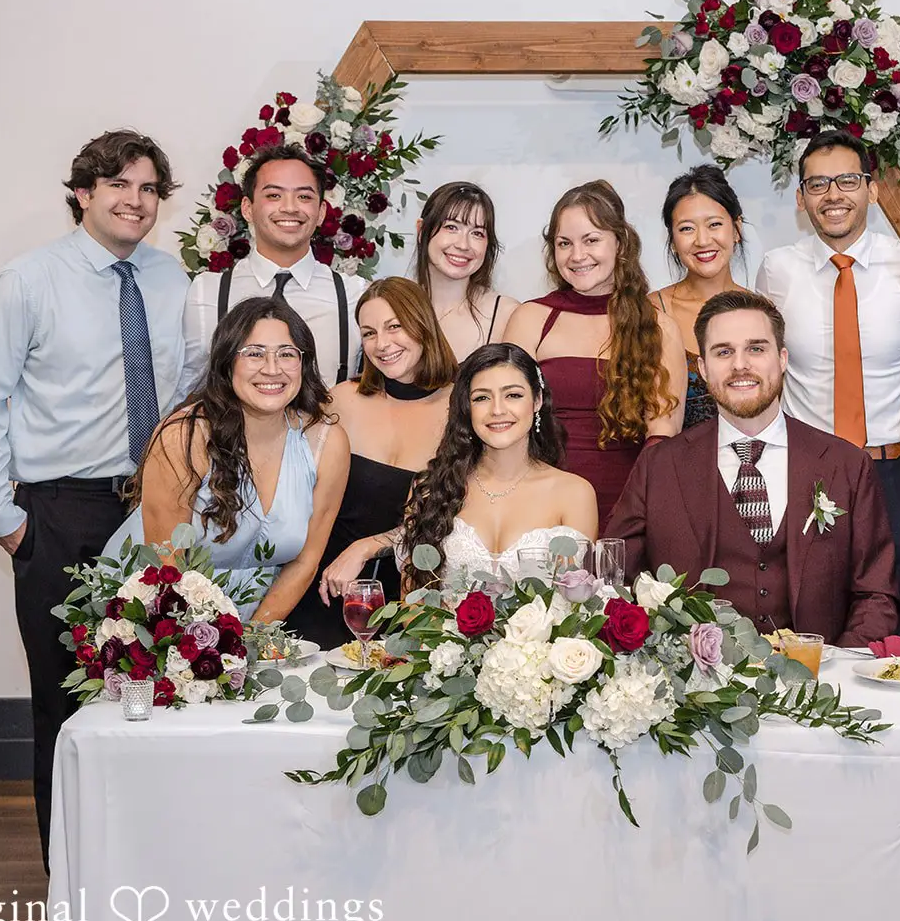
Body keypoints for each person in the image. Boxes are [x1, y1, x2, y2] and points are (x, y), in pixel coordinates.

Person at [0, 129, 188, 870]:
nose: (136, 200)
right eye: (119, 184)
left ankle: (144, 863)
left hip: (152, 507)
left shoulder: (171, 277)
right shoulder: (27, 280)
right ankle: (71, 883)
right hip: (59, 514)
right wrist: (8, 521)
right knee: (64, 706)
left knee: (160, 689)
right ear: (84, 193)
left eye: (149, 188)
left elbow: (187, 392)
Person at [606, 290, 899, 646]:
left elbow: (876, 593)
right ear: (702, 367)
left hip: (816, 684)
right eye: (723, 352)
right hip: (696, 690)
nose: (740, 365)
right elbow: (615, 578)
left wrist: (838, 667)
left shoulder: (847, 464)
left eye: (756, 349)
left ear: (782, 359)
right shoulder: (659, 466)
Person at [755, 130, 900, 638]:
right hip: (811, 470)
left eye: (847, 180)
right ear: (800, 198)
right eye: (817, 184)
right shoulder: (777, 271)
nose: (833, 194)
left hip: (895, 471)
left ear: (872, 189)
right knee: (810, 613)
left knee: (898, 622)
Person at [107, 296, 349, 624]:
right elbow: (166, 566)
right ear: (226, 361)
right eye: (254, 353)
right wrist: (203, 650)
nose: (272, 369)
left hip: (254, 622)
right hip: (155, 616)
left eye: (287, 354)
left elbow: (305, 562)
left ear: (304, 364)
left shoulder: (326, 442)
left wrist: (252, 641)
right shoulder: (183, 435)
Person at [282, 277, 457, 647]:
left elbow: (459, 516)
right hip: (325, 585)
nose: (382, 343)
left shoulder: (461, 408)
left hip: (408, 598)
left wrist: (366, 547)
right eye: (369, 332)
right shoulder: (341, 400)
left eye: (395, 326)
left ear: (423, 324)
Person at [504, 180, 685, 531]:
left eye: (591, 240)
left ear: (620, 243)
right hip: (540, 508)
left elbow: (662, 436)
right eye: (564, 243)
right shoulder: (530, 319)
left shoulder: (659, 328)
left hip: (629, 508)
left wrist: (632, 519)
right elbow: (506, 419)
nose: (577, 255)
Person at [398, 343, 599, 587]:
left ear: (536, 401)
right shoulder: (431, 488)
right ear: (467, 408)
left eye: (513, 395)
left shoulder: (575, 494)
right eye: (482, 398)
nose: (497, 410)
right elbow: (411, 608)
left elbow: (578, 607)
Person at [179, 145, 365, 400]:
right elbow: (190, 391)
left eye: (304, 197)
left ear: (321, 212)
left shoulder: (353, 294)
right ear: (247, 208)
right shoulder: (207, 291)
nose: (290, 207)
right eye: (274, 195)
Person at [649, 165, 749, 429]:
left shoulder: (761, 310)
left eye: (715, 224)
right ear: (672, 240)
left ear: (736, 228)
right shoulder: (650, 312)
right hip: (675, 462)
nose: (703, 240)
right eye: (686, 229)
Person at [411, 181, 521, 363]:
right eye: (451, 227)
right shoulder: (393, 306)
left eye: (477, 233)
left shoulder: (508, 314)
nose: (463, 245)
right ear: (422, 231)